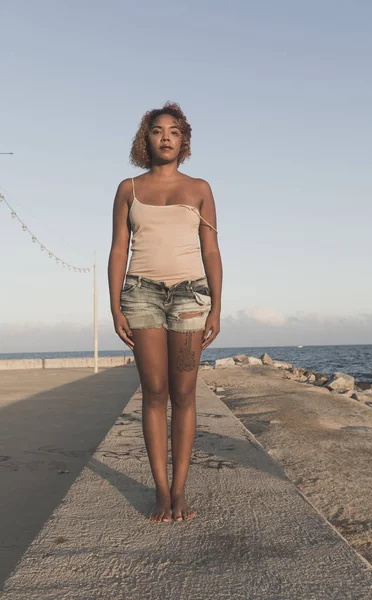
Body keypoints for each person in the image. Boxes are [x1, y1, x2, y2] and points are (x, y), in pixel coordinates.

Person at [108, 102, 222, 523]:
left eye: (174, 131)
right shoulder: (128, 189)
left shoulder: (200, 189)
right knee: (154, 392)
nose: (166, 137)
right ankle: (159, 491)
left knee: (185, 395)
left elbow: (211, 249)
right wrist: (115, 303)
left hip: (191, 296)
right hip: (141, 295)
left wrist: (216, 306)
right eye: (158, 131)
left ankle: (180, 491)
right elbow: (119, 249)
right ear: (147, 139)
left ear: (184, 140)